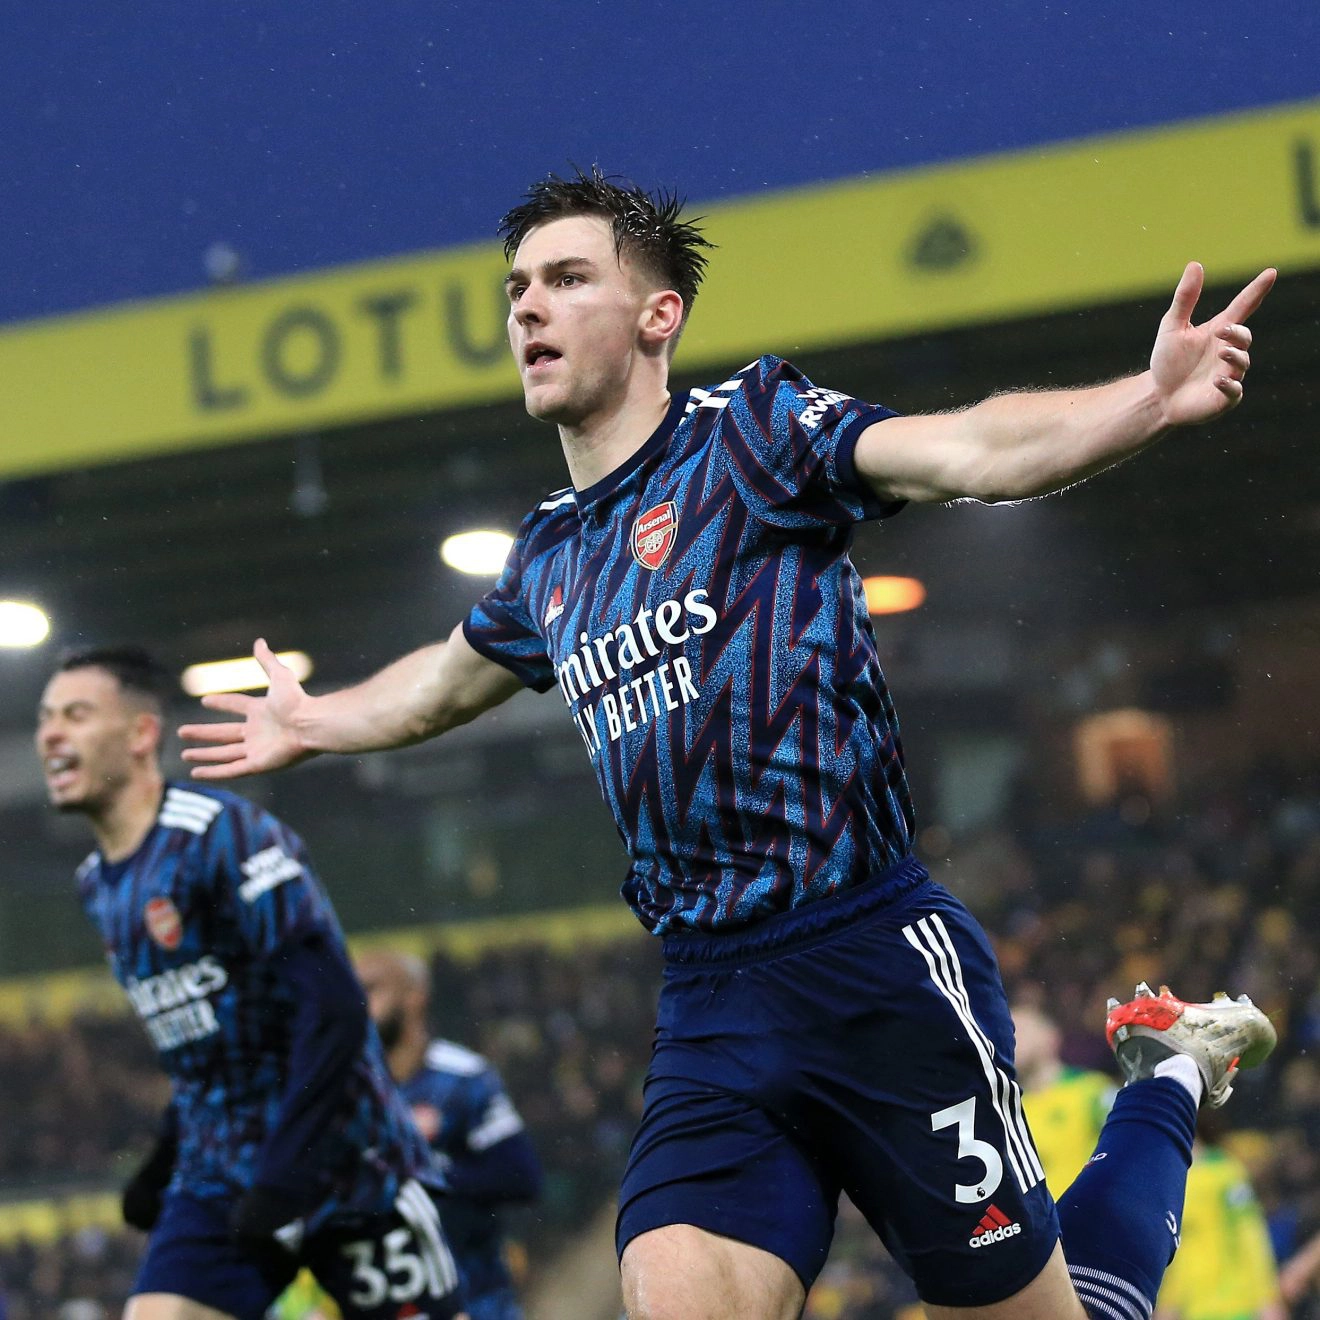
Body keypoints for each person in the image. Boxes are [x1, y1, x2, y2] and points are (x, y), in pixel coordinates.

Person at [180, 169, 1279, 1320]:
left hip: (871, 961)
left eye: (567, 279)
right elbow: (441, 682)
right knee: (674, 1288)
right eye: (517, 288)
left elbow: (966, 450)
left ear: (659, 316)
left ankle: (1166, 1080)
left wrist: (1142, 399)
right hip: (710, 1000)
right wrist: (315, 719)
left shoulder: (753, 436)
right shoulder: (550, 555)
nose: (528, 307)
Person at [36, 646, 466, 1320]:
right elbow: (205, 1042)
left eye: (76, 714)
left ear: (142, 734)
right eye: (46, 717)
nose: (51, 734)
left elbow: (332, 1009)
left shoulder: (221, 834)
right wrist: (163, 1162)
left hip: (347, 1165)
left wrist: (287, 1171)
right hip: (219, 1176)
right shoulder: (98, 885)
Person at [354, 949, 542, 1320]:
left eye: (371, 989)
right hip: (383, 1303)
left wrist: (422, 1176)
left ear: (415, 996)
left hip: (476, 1298)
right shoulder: (345, 1090)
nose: (359, 1004)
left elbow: (521, 1176)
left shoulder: (464, 1077)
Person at [1154, 1111, 1285, 1320]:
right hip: (1190, 1310)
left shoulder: (1225, 1173)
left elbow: (1251, 1236)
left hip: (1233, 1307)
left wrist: (1268, 1300)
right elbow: (1175, 1253)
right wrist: (1168, 1303)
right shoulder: (1164, 1178)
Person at [1013, 999, 1116, 1196]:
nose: (1011, 1041)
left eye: (1020, 1031)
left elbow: (1134, 1143)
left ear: (1050, 1037)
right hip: (1033, 1215)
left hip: (1083, 1211)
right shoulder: (1007, 1106)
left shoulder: (1091, 1090)